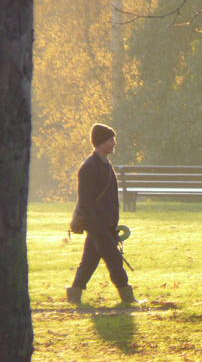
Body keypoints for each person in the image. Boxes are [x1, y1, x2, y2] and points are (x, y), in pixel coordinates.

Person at [66, 123, 138, 304]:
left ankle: (74, 292)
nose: (114, 143)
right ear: (100, 142)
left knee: (89, 260)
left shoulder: (105, 164)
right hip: (97, 225)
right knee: (114, 260)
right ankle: (127, 296)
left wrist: (111, 224)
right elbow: (85, 201)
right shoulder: (89, 167)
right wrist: (98, 225)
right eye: (110, 140)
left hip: (106, 224)